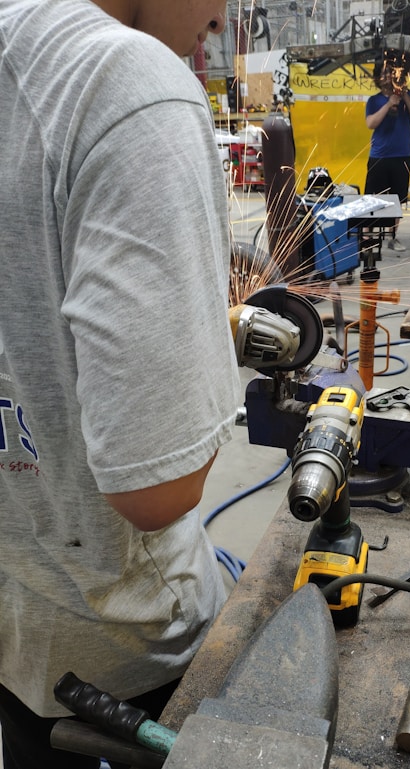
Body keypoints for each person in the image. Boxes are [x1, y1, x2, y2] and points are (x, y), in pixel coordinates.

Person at [0, 1, 241, 768]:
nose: (222, 14)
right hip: (128, 660)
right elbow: (158, 485)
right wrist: (199, 339)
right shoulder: (121, 82)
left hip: (16, 632)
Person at [364, 60, 410, 252]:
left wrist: (403, 94)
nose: (388, 76)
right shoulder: (374, 100)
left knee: (395, 200)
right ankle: (369, 236)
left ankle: (393, 236)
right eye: (384, 73)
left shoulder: (406, 95)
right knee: (374, 198)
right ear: (378, 78)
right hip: (379, 157)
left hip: (401, 155)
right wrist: (389, 104)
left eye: (391, 72)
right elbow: (371, 123)